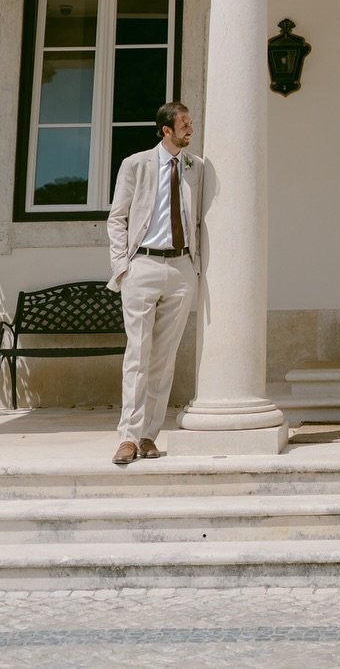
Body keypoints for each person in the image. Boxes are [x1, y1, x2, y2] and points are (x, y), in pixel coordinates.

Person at [106, 101, 204, 466]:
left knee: (164, 359)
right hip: (143, 265)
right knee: (138, 355)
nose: (190, 129)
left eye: (190, 123)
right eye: (184, 124)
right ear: (166, 130)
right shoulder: (136, 164)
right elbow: (117, 218)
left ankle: (149, 435)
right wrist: (122, 267)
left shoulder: (196, 167)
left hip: (181, 268)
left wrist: (195, 268)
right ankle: (127, 437)